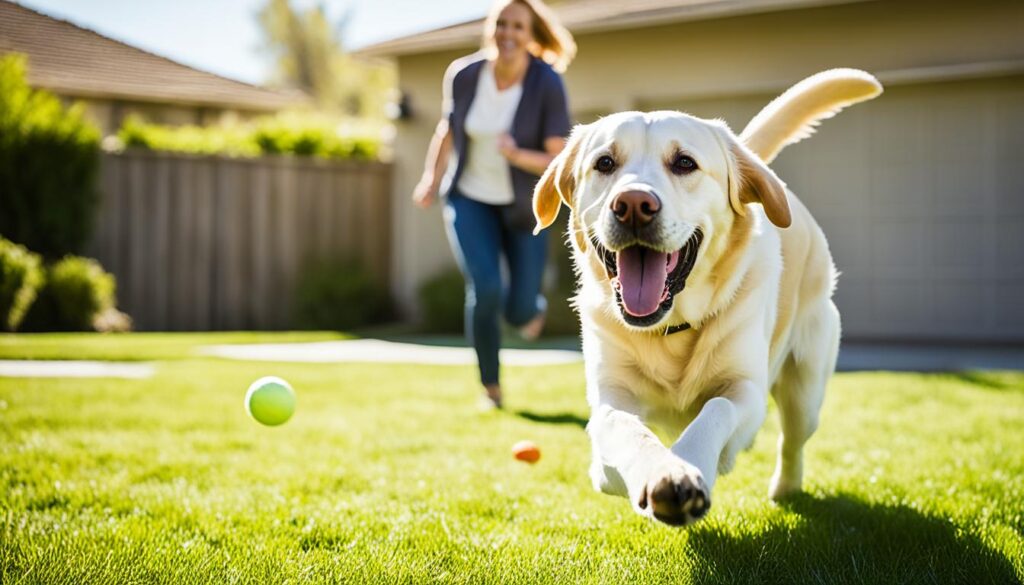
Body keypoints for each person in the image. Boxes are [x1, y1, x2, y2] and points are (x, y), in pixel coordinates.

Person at [412, 0, 575, 409]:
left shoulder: (547, 82)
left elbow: (559, 158)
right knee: (484, 289)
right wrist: (431, 178)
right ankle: (491, 387)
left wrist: (517, 154)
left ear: (531, 34)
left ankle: (529, 309)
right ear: (491, 28)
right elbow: (447, 131)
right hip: (470, 199)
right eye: (501, 23)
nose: (508, 33)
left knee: (520, 310)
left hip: (523, 207)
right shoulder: (465, 75)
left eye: (518, 26)